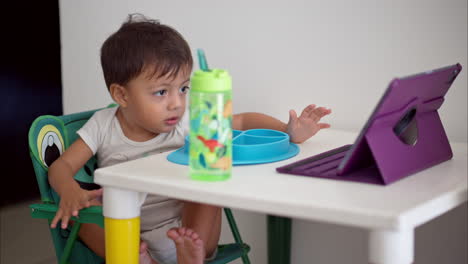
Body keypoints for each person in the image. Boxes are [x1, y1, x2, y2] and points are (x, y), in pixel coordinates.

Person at [48, 13, 332, 264]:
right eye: (161, 92)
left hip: (187, 232)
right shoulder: (103, 125)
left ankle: (188, 255)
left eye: (183, 88)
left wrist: (288, 130)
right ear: (121, 95)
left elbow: (242, 121)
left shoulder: (187, 122)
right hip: (125, 231)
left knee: (207, 184)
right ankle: (138, 257)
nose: (176, 103)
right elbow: (60, 167)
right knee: (81, 215)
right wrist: (70, 191)